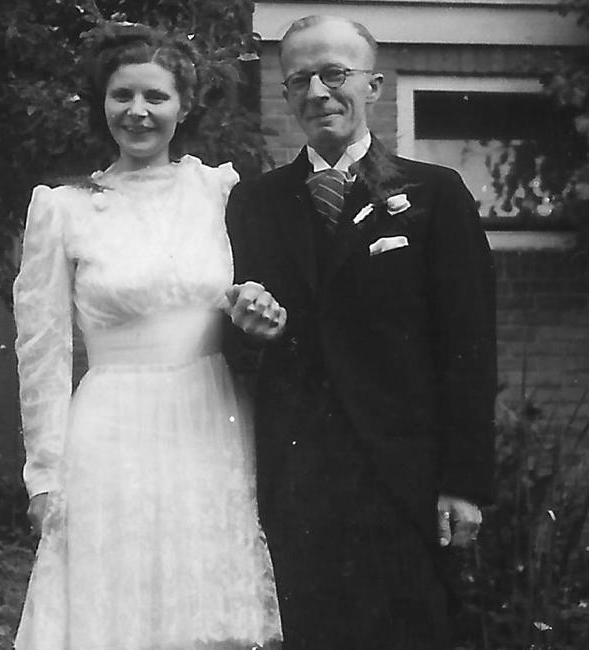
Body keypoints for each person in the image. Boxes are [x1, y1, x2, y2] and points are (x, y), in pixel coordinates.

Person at [225, 14, 497, 650]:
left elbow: (469, 348)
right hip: (298, 482)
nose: (319, 92)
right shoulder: (253, 204)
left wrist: (463, 482)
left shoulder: (435, 194)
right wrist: (248, 331)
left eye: (335, 74)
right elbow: (237, 348)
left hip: (404, 477)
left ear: (373, 85)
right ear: (287, 93)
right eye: (300, 80)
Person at [13, 21, 284, 650]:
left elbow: (258, 296)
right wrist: (45, 474)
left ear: (183, 106)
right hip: (112, 428)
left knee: (205, 599)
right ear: (103, 102)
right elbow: (42, 348)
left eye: (156, 97)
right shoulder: (64, 208)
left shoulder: (217, 191)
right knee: (115, 602)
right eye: (122, 96)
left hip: (211, 419)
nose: (137, 112)